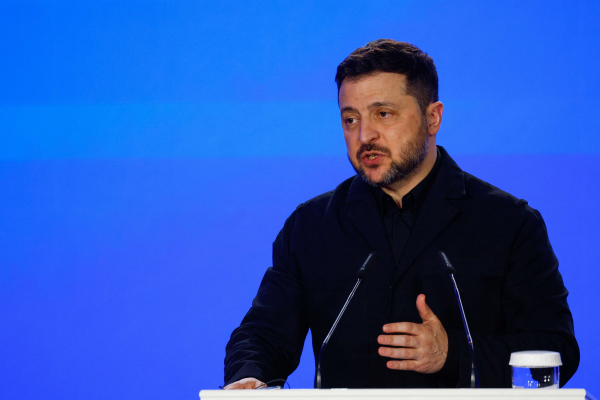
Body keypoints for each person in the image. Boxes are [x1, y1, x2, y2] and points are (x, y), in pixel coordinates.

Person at [223, 39, 579, 389]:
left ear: (432, 118)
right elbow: (263, 334)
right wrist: (249, 376)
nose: (365, 135)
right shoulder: (311, 226)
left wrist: (453, 354)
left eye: (383, 114)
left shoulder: (508, 223)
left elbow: (555, 347)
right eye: (350, 119)